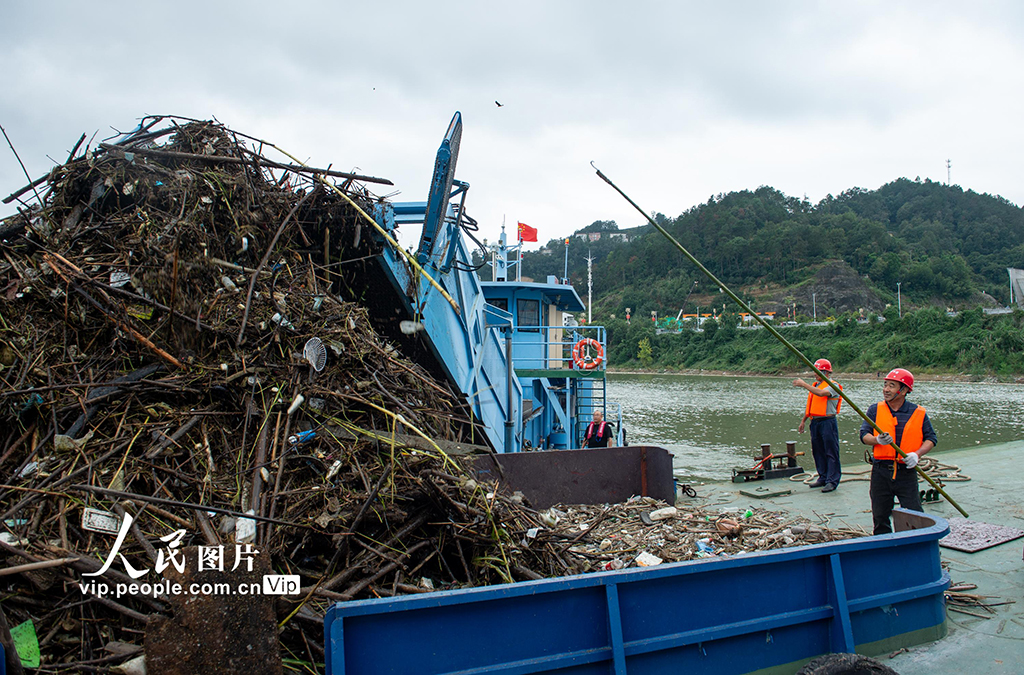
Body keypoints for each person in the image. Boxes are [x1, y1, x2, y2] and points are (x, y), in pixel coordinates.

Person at [860, 368, 937, 536]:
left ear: (903, 391)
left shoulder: (918, 412)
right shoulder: (875, 410)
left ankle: (915, 545)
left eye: (892, 386)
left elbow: (931, 438)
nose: (886, 389)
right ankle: (883, 546)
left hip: (906, 472)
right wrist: (877, 440)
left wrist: (917, 454)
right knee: (880, 515)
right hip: (881, 471)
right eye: (885, 385)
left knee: (913, 513)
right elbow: (864, 435)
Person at [793, 358, 843, 492]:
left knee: (831, 451)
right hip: (815, 422)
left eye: (817, 371)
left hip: (828, 422)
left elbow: (822, 394)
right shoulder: (815, 386)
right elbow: (811, 405)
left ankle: (832, 480)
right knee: (818, 451)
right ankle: (823, 477)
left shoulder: (833, 386)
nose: (814, 374)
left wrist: (804, 384)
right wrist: (803, 420)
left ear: (825, 372)